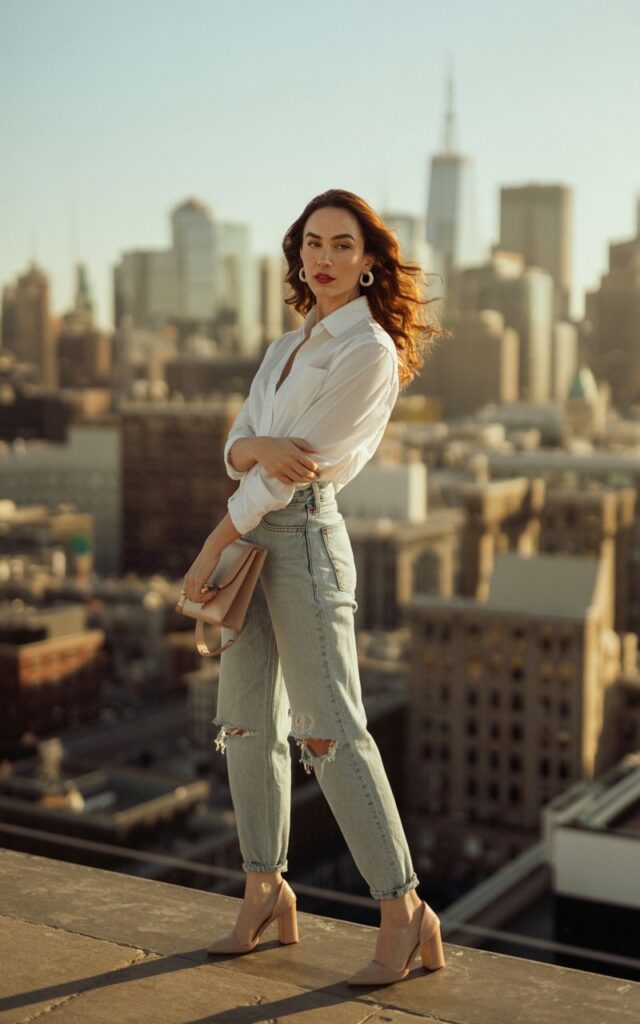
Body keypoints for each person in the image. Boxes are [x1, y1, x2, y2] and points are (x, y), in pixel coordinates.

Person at [182, 188, 449, 985]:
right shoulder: (284, 347)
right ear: (297, 255)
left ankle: (404, 910)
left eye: (342, 244)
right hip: (252, 537)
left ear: (368, 262)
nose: (324, 258)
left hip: (300, 541)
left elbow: (295, 469)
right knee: (243, 725)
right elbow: (238, 447)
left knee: (330, 731)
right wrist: (256, 448)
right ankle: (265, 889)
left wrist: (215, 538)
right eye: (312, 243)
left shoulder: (366, 351)